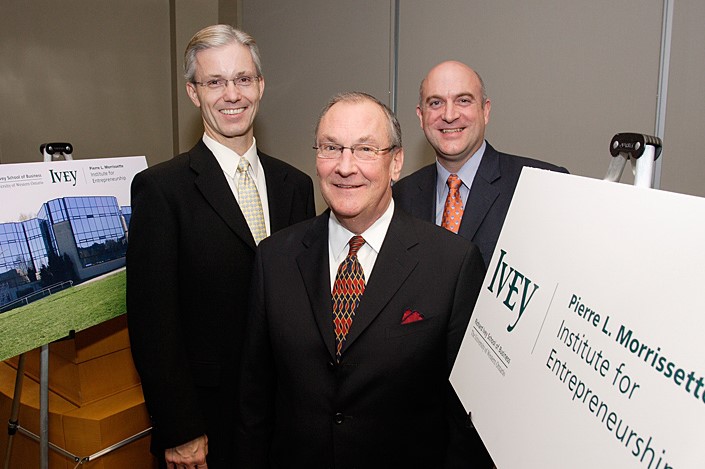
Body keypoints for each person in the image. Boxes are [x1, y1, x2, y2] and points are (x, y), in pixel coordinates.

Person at [237, 91, 487, 468]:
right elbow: (255, 401)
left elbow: (464, 418)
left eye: (366, 150)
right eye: (331, 148)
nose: (345, 166)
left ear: (396, 162)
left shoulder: (451, 263)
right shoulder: (275, 258)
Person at [126, 24, 315, 469]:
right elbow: (153, 322)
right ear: (194, 93)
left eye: (243, 79)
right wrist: (179, 428)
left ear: (261, 85)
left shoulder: (297, 185)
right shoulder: (161, 190)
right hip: (207, 425)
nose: (232, 94)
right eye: (215, 82)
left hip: (289, 417)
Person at [393, 61, 568, 267]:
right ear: (421, 116)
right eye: (436, 103)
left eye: (463, 100)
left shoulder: (542, 186)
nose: (449, 115)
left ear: (485, 111)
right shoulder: (400, 197)